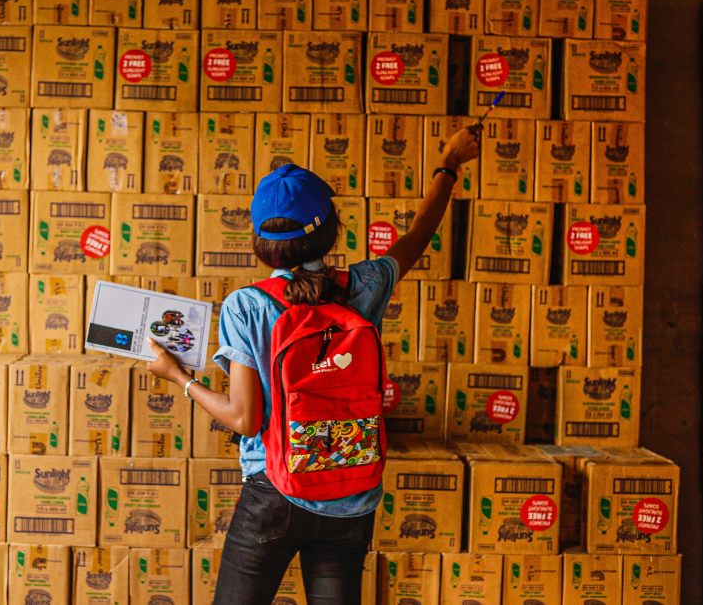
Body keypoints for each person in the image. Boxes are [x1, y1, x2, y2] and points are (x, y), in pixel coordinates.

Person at [147, 124, 481, 604]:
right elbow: (417, 236)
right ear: (330, 230)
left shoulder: (248, 305)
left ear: (260, 241)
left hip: (274, 493)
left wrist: (178, 377)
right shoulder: (364, 285)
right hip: (351, 494)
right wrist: (448, 164)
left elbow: (245, 418)